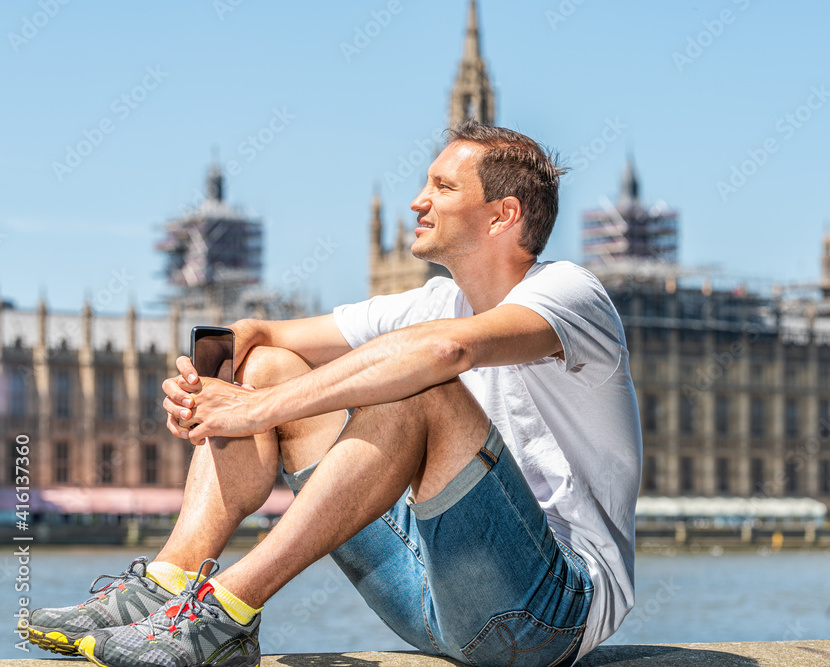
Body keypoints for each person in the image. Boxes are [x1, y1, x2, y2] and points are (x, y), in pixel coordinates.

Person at [27, 121, 642, 667]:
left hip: (547, 610)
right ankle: (169, 581)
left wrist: (256, 410)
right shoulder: (432, 302)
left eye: (442, 188)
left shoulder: (570, 292)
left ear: (502, 214)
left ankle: (226, 609)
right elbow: (267, 336)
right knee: (267, 366)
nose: (417, 201)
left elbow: (444, 354)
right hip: (430, 595)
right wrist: (214, 372)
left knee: (417, 383)